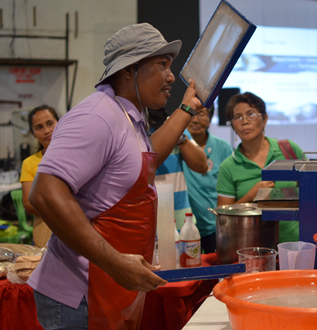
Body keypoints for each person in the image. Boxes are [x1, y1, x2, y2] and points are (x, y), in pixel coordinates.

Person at [27, 23, 202, 329]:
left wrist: (187, 108)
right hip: (79, 295)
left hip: (108, 285)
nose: (171, 76)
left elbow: (146, 161)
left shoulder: (128, 117)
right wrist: (114, 262)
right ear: (127, 71)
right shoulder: (96, 116)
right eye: (162, 65)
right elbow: (44, 193)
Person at [216, 92, 303, 243]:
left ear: (265, 119)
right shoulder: (228, 166)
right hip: (251, 248)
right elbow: (223, 218)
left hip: (295, 244)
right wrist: (250, 196)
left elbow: (313, 192)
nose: (245, 121)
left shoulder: (289, 150)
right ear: (233, 126)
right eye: (238, 117)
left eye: (251, 114)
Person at [183, 105, 232, 253]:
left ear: (210, 119)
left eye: (201, 114)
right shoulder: (178, 145)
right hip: (186, 227)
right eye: (191, 114)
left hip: (216, 226)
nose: (195, 120)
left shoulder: (223, 147)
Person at [151, 108, 208, 230]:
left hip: (182, 225)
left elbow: (202, 166)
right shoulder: (133, 128)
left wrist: (177, 133)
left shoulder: (173, 125)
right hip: (148, 226)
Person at [19, 105, 60, 248]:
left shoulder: (76, 154)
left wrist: (45, 201)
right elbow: (29, 206)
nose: (47, 131)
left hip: (80, 228)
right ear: (33, 133)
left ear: (59, 122)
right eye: (39, 127)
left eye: (50, 123)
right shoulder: (29, 163)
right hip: (44, 231)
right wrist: (63, 202)